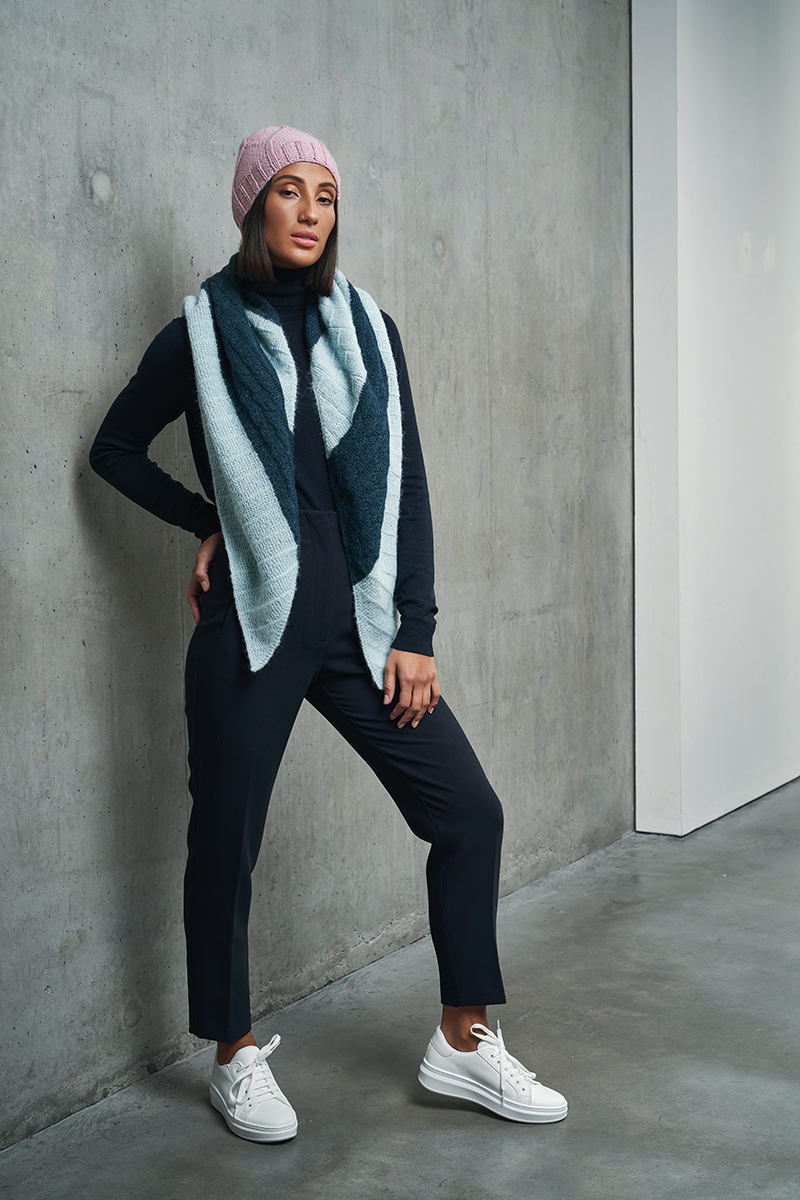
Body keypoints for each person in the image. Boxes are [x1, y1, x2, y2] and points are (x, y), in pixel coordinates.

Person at [90, 125, 567, 1142]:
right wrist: (209, 521)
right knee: (225, 839)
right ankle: (231, 1054)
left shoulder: (368, 329)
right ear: (251, 204)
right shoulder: (200, 334)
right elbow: (114, 449)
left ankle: (463, 1040)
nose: (311, 212)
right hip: (252, 622)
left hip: (360, 624)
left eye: (327, 195)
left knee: (468, 813)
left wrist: (415, 629)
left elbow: (407, 489)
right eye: (289, 191)